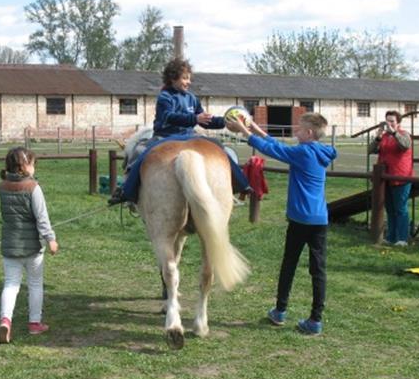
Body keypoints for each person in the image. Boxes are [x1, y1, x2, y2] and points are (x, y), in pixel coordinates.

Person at [234, 112, 338, 335]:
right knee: (318, 270)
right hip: (320, 219)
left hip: (301, 219)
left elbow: (274, 150)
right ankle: (315, 320)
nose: (295, 131)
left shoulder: (302, 152)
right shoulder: (320, 151)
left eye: (299, 129)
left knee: (289, 264)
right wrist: (255, 128)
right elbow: (279, 145)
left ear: (309, 133)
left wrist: (244, 132)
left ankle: (280, 311)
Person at [107, 58, 250, 206]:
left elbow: (205, 120)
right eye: (184, 78)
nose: (188, 82)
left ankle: (242, 184)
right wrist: (194, 118)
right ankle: (126, 191)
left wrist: (226, 122)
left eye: (189, 78)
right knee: (140, 152)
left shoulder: (192, 99)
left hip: (190, 136)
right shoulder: (165, 97)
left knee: (219, 148)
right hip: (165, 136)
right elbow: (168, 116)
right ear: (172, 78)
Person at [0, 147, 59, 343]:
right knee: (35, 284)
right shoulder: (33, 187)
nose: (34, 167)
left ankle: (5, 320)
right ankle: (34, 323)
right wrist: (51, 239)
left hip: (9, 245)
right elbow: (42, 218)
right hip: (32, 247)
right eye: (32, 163)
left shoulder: (2, 186)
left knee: (10, 284)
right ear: (24, 166)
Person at [368, 110, 414, 246]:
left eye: (392, 121)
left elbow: (405, 145)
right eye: (387, 121)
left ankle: (402, 238)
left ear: (398, 123)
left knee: (400, 208)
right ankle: (391, 236)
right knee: (390, 208)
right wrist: (377, 137)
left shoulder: (404, 135)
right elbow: (371, 150)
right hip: (385, 177)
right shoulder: (384, 137)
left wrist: (394, 132)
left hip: (401, 176)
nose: (389, 124)